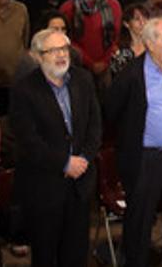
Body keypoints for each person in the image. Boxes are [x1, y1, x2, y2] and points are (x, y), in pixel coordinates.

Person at [105, 17, 162, 267]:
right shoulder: (131, 74)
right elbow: (111, 110)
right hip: (145, 157)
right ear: (150, 43)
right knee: (141, 218)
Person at [10, 27, 102, 267]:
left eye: (64, 49)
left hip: (80, 183)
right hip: (45, 187)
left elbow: (94, 125)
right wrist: (64, 163)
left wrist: (83, 160)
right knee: (46, 254)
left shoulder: (83, 79)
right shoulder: (24, 90)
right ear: (38, 56)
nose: (62, 55)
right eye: (53, 51)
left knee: (76, 253)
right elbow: (29, 140)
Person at [59, 0, 122, 84]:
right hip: (78, 66)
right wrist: (91, 63)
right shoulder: (67, 8)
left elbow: (116, 38)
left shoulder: (114, 5)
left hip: (107, 65)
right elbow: (67, 40)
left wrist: (104, 62)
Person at [109, 3, 149, 77]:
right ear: (126, 24)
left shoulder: (156, 47)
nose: (142, 23)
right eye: (137, 19)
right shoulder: (120, 53)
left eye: (145, 18)